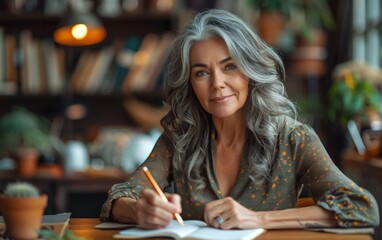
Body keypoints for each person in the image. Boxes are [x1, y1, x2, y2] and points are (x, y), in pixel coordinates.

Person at [100, 9, 379, 230]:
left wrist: (259, 219)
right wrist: (141, 210)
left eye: (229, 66)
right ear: (190, 84)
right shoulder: (180, 137)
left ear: (250, 70)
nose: (217, 84)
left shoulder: (294, 138)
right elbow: (118, 198)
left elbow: (361, 207)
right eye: (201, 73)